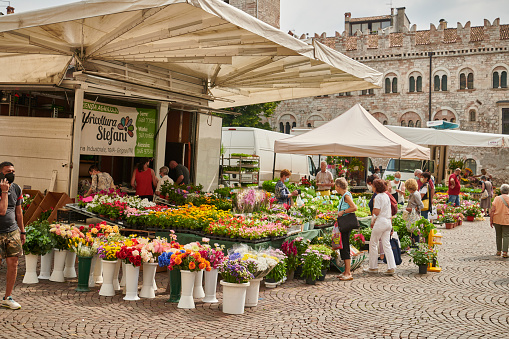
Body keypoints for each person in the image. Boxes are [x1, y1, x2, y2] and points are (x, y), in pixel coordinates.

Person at [0, 161, 25, 310]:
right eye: (8, 171)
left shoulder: (16, 188)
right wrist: (4, 191)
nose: (12, 174)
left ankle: (7, 297)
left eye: (13, 171)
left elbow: (18, 212)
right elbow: (2, 211)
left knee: (13, 264)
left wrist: (22, 231)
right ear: (1, 173)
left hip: (12, 231)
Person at [364, 179, 397, 275]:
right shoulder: (386, 195)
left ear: (376, 187)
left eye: (373, 186)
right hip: (387, 222)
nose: (372, 187)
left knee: (373, 243)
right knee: (386, 244)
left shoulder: (378, 197)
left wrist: (374, 209)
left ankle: (373, 267)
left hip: (381, 222)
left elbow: (377, 212)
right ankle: (391, 267)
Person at [334, 177, 358, 281]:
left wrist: (343, 212)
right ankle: (345, 271)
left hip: (345, 224)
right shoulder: (345, 195)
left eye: (335, 186)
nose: (335, 188)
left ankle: (348, 273)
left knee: (345, 246)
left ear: (338, 186)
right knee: (343, 246)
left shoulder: (346, 196)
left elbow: (354, 208)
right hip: (344, 224)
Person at [490, 184, 509, 258]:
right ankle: (505, 252)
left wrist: (491, 220)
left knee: (498, 235)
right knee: (506, 235)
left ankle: (498, 251)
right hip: (507, 219)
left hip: (497, 219)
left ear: (501, 191)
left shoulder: (497, 198)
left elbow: (492, 210)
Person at [405, 178, 424, 246]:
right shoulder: (412, 193)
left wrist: (414, 209)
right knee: (413, 230)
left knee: (415, 230)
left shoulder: (415, 194)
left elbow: (421, 205)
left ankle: (416, 246)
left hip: (415, 215)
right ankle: (413, 245)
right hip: (412, 214)